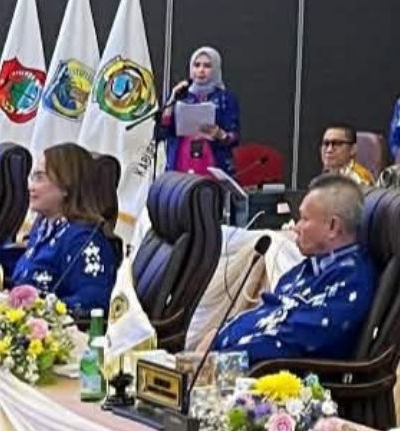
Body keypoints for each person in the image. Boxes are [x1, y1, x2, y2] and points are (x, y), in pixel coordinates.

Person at [213, 176, 378, 363]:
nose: (296, 227)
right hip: (232, 359)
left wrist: (219, 355)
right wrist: (218, 335)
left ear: (333, 226)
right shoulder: (308, 268)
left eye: (304, 219)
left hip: (273, 374)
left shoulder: (351, 281)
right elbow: (269, 316)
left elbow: (290, 342)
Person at [0, 144, 118, 313]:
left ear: (66, 185)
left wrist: (37, 309)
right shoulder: (46, 223)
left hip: (48, 325)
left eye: (40, 178)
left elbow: (93, 302)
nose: (30, 187)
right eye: (33, 178)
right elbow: (29, 265)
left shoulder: (83, 241)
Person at [156, 47, 240, 177]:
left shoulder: (225, 98)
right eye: (197, 65)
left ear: (215, 69)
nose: (201, 70)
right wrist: (172, 98)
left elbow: (234, 137)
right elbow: (162, 132)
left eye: (207, 66)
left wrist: (220, 134)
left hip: (212, 161)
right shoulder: (181, 95)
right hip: (182, 161)